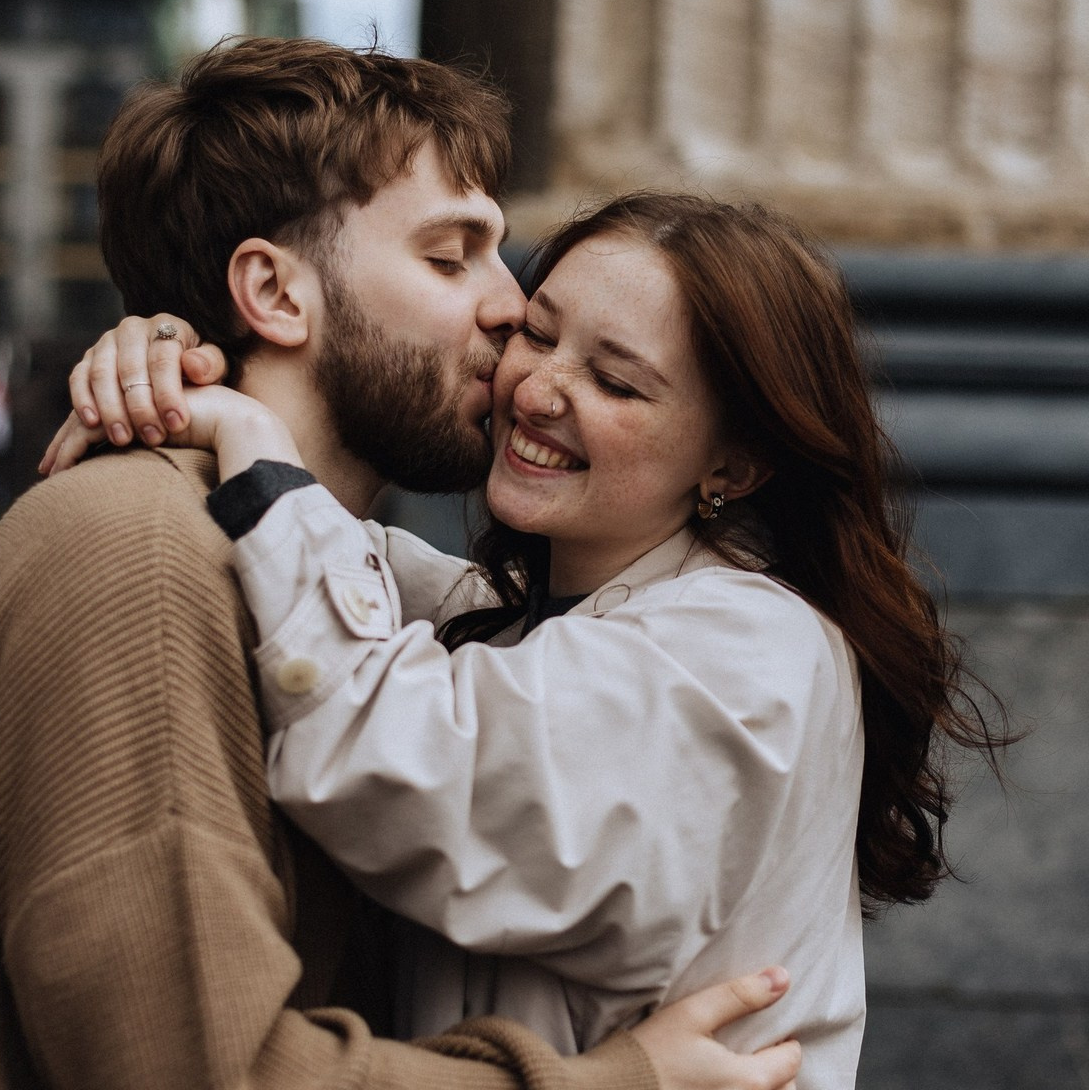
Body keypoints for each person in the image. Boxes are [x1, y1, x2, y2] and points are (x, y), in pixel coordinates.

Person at [0, 40, 803, 1090]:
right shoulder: (143, 556)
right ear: (272, 291)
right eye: (450, 257)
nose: (510, 308)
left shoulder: (309, 570)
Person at [50, 191, 1011, 1090]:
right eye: (539, 333)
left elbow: (402, 763)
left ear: (735, 461)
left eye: (616, 381)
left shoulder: (750, 648)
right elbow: (347, 570)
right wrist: (176, 362)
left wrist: (250, 443)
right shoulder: (520, 622)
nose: (539, 389)